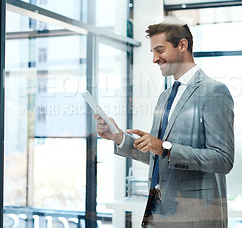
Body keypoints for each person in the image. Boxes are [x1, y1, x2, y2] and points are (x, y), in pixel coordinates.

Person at [95, 22, 234, 227]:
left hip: (195, 217)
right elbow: (157, 155)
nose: (154, 59)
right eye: (152, 52)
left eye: (160, 50)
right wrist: (118, 137)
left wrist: (164, 148)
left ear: (182, 45)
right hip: (158, 213)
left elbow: (222, 160)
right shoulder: (165, 97)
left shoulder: (214, 91)